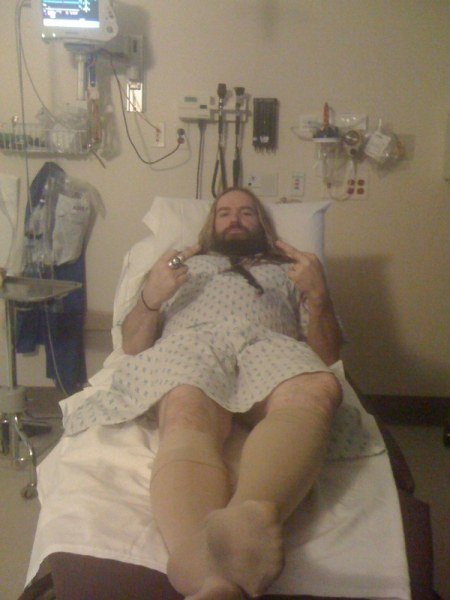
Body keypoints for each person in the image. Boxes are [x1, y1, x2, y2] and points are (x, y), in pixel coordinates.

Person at [118, 187, 344, 599]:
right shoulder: (180, 269)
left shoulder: (291, 271)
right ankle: (213, 576)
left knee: (317, 388)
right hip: (194, 346)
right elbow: (132, 346)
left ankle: (236, 530)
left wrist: (318, 293)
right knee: (185, 410)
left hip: (269, 345)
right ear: (211, 224)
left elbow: (328, 356)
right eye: (224, 212)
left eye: (246, 212)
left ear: (263, 224)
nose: (234, 218)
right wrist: (152, 295)